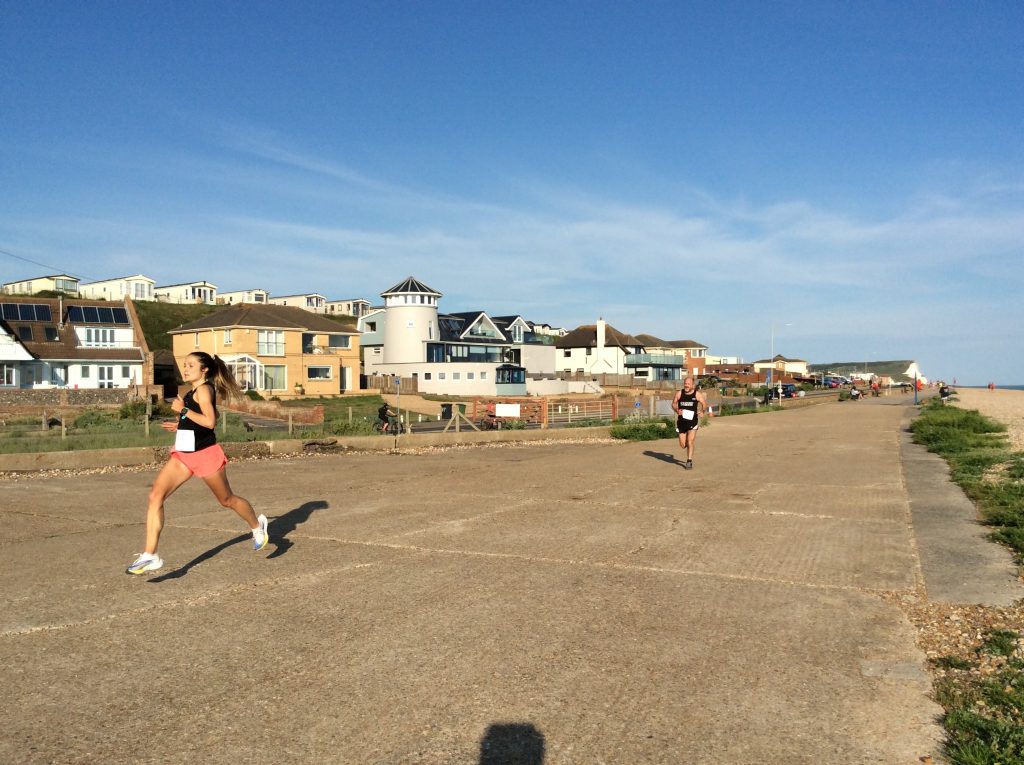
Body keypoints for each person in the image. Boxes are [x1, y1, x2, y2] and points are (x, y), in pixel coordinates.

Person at [126, 352, 268, 575]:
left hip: (205, 454)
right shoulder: (192, 391)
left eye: (191, 365)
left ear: (204, 370)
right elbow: (204, 417)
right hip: (184, 453)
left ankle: (257, 527)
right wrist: (180, 424)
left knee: (227, 500)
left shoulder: (204, 389)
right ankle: (150, 555)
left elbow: (210, 423)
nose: (186, 368)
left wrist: (182, 410)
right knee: (155, 496)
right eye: (184, 365)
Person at [672, 375, 710, 470]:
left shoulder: (697, 394)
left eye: (688, 384)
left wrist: (702, 411)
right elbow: (673, 403)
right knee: (682, 445)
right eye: (685, 384)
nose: (686, 385)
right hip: (681, 422)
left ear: (693, 385)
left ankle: (689, 461)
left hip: (693, 421)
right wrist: (677, 410)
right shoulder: (679, 393)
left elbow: (704, 404)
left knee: (690, 441)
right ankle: (687, 447)